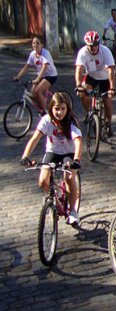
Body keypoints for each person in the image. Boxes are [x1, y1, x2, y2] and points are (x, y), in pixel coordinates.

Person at [19, 92, 82, 225]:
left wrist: (76, 160)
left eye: (63, 109)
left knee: (69, 177)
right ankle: (53, 197)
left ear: (67, 109)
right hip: (53, 152)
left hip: (68, 154)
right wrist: (25, 156)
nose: (60, 112)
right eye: (57, 109)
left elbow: (78, 142)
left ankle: (72, 211)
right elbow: (35, 138)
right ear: (51, 108)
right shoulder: (46, 120)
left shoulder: (71, 121)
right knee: (42, 181)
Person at [75, 30, 116, 136]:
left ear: (98, 43)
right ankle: (90, 113)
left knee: (107, 101)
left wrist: (112, 88)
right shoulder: (83, 52)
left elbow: (111, 70)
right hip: (91, 76)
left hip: (105, 77)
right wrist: (79, 85)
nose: (93, 48)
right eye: (90, 46)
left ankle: (108, 123)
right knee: (84, 93)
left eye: (95, 45)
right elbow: (79, 69)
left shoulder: (105, 51)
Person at [12, 36, 58, 113]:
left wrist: (37, 79)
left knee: (38, 91)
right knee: (32, 94)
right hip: (41, 76)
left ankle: (45, 113)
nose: (35, 45)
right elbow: (27, 67)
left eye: (37, 43)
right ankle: (41, 105)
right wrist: (18, 76)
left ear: (42, 45)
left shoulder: (45, 53)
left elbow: (44, 67)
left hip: (51, 76)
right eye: (33, 43)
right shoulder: (32, 54)